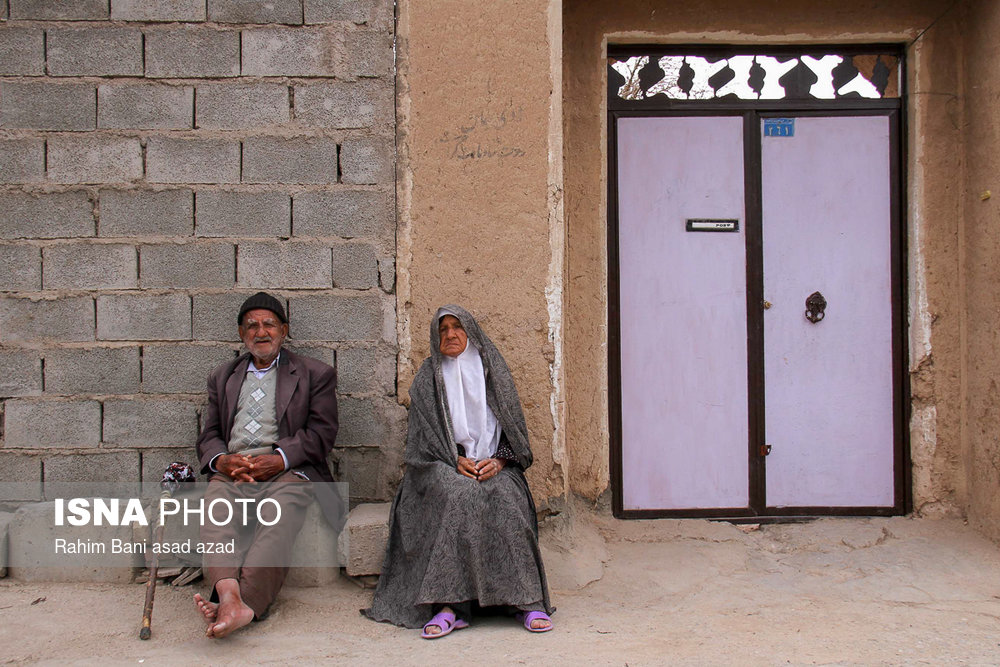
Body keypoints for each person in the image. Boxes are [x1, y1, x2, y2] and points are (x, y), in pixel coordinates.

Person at [363, 304, 554, 637]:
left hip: (494, 463)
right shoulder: (428, 377)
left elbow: (514, 431)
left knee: (507, 497)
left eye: (457, 327)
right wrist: (453, 459)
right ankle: (450, 606)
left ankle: (525, 601)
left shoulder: (492, 370)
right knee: (457, 496)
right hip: (440, 464)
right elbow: (420, 440)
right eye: (443, 329)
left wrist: (500, 460)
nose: (450, 334)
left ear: (471, 331)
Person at [191, 291, 340, 638]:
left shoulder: (314, 373)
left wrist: (279, 459)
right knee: (215, 504)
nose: (261, 332)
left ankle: (247, 603)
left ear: (284, 330)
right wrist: (223, 461)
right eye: (252, 326)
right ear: (242, 335)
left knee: (280, 508)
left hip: (288, 470)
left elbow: (322, 434)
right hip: (235, 470)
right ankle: (228, 594)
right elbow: (209, 433)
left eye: (269, 324)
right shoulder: (223, 377)